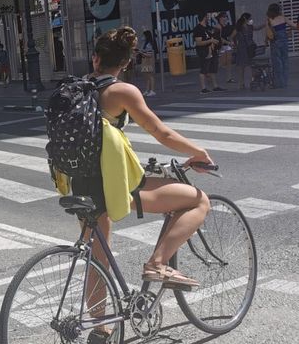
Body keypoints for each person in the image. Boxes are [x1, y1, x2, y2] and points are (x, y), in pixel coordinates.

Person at [78, 27, 213, 332]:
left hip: (80, 182)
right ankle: (157, 264)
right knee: (198, 200)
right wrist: (197, 152)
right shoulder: (121, 91)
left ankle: (102, 330)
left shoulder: (81, 87)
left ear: (95, 58)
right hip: (112, 184)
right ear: (125, 64)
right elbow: (161, 132)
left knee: (97, 256)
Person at [266, 3, 296, 89]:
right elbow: (294, 26)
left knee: (276, 63)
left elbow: (267, 33)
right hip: (284, 42)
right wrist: (290, 30)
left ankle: (278, 83)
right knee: (285, 61)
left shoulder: (269, 20)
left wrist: (266, 41)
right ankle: (285, 82)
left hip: (275, 42)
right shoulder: (283, 18)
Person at [193, 12, 223, 93]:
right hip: (203, 51)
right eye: (207, 17)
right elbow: (198, 42)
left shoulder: (209, 27)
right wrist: (210, 40)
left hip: (212, 50)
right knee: (204, 68)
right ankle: (203, 88)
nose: (208, 18)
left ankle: (215, 86)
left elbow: (214, 35)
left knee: (213, 68)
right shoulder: (198, 29)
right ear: (204, 18)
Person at [233, 13, 255, 90]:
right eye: (250, 18)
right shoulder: (239, 28)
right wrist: (235, 44)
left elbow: (257, 28)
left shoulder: (250, 27)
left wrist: (264, 24)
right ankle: (241, 83)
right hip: (242, 48)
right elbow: (232, 36)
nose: (251, 20)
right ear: (245, 19)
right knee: (242, 66)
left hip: (249, 48)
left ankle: (252, 80)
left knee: (250, 65)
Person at [138, 29, 158, 96]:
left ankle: (152, 90)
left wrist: (141, 53)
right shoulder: (144, 43)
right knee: (146, 76)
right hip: (145, 61)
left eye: (143, 35)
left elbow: (150, 54)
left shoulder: (149, 44)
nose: (142, 37)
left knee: (150, 75)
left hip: (148, 61)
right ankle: (147, 90)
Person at [217, 13, 236, 83]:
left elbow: (231, 35)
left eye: (226, 17)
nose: (225, 18)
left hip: (228, 46)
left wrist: (231, 41)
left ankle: (229, 78)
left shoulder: (228, 26)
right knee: (222, 63)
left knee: (229, 62)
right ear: (220, 18)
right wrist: (228, 42)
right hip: (221, 46)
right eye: (223, 17)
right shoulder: (218, 26)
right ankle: (210, 74)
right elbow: (219, 38)